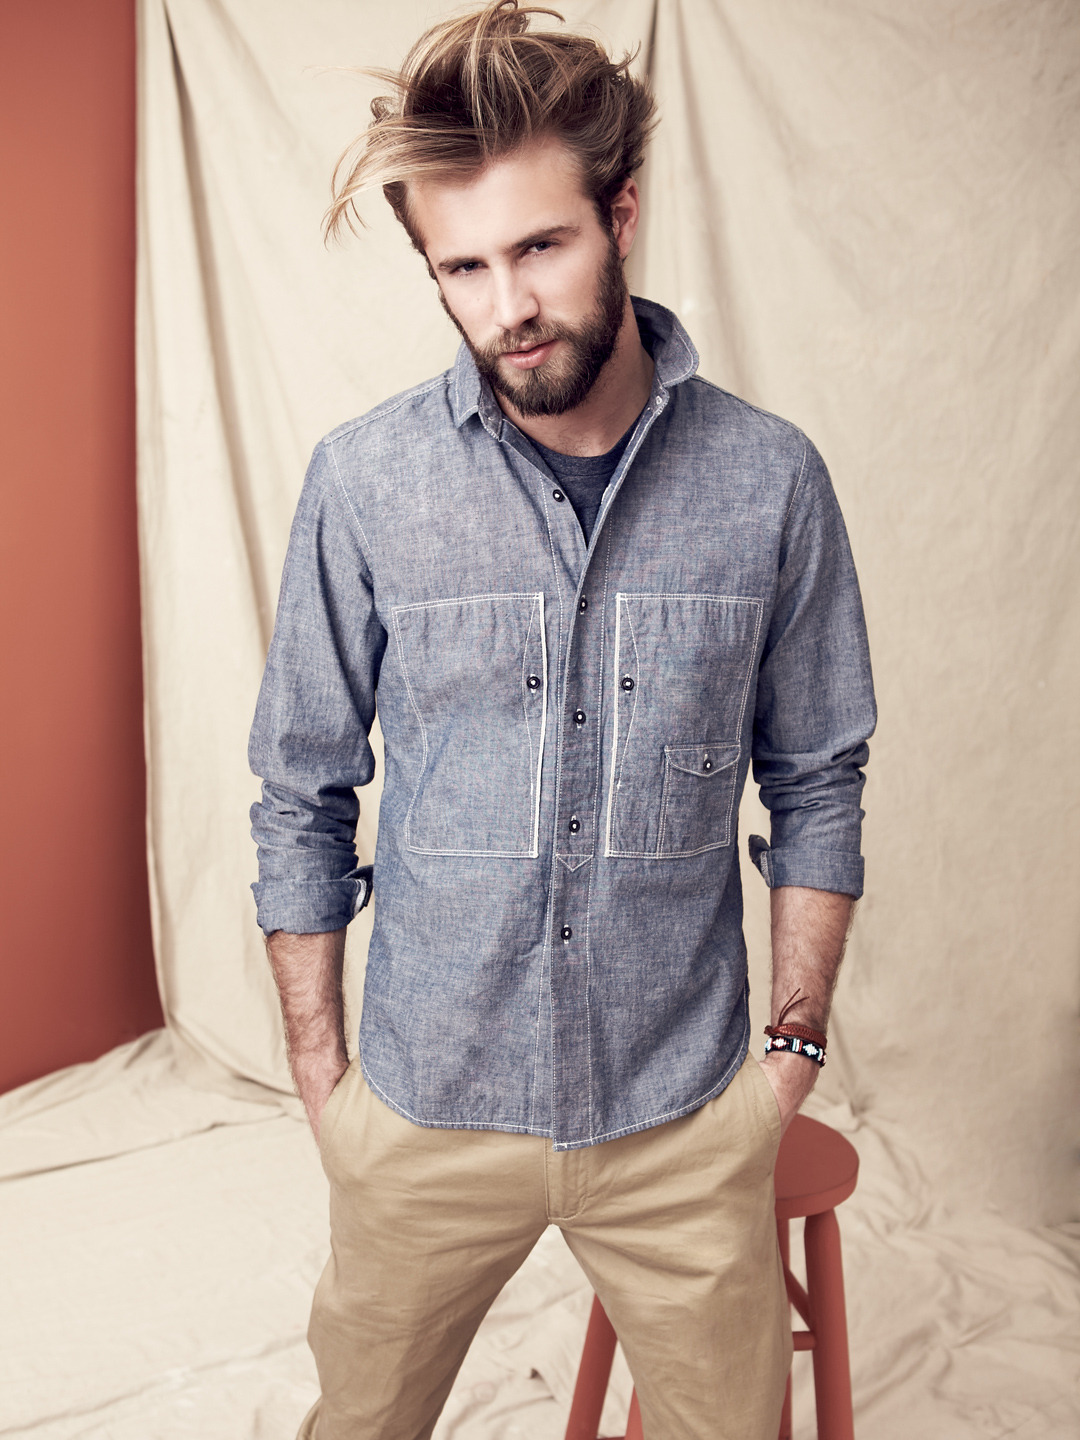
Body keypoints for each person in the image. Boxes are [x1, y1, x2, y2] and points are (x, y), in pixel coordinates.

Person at [248, 3, 876, 1436]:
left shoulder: (770, 482)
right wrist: (324, 1079)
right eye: (462, 267)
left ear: (621, 215)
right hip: (424, 1103)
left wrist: (787, 1057)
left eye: (541, 247)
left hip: (680, 1115)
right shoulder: (365, 482)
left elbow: (818, 777)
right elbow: (300, 788)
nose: (508, 305)